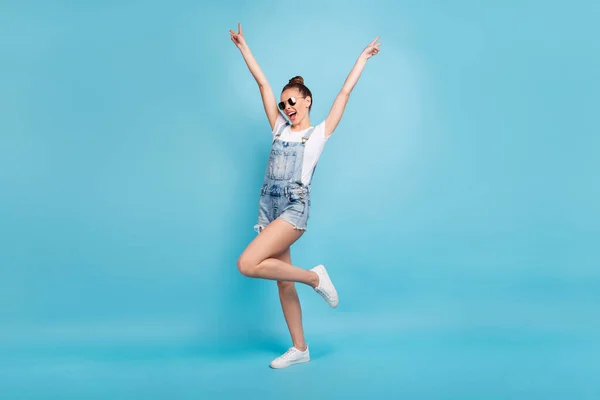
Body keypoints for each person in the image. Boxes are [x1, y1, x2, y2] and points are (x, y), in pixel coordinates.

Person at [229, 23, 380, 369]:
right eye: (283, 104)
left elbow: (343, 94)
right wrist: (243, 47)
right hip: (270, 208)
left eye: (292, 101)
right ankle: (300, 348)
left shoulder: (317, 135)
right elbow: (263, 84)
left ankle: (315, 277)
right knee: (283, 280)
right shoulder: (278, 127)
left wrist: (362, 59)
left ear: (307, 99)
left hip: (294, 210)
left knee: (247, 264)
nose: (286, 107)